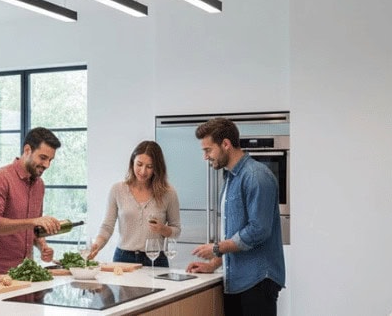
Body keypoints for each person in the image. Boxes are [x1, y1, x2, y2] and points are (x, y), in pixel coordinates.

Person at [186, 118, 285, 316]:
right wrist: (213, 264)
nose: (205, 157)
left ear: (226, 144)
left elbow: (258, 230)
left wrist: (216, 248)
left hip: (257, 280)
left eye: (208, 150)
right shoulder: (231, 178)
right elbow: (235, 234)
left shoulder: (256, 176)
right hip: (238, 280)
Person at [0, 127, 63, 273]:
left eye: (50, 160)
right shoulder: (0, 178)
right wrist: (33, 222)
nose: (47, 165)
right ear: (27, 150)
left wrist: (42, 246)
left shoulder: (39, 185)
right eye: (43, 158)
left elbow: (34, 229)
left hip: (25, 273)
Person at [88, 140, 181, 267]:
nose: (143, 171)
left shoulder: (168, 193)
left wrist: (163, 229)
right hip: (123, 258)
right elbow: (107, 227)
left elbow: (176, 230)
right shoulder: (117, 190)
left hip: (156, 258)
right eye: (139, 164)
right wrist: (97, 245)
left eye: (149, 166)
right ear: (132, 162)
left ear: (157, 168)